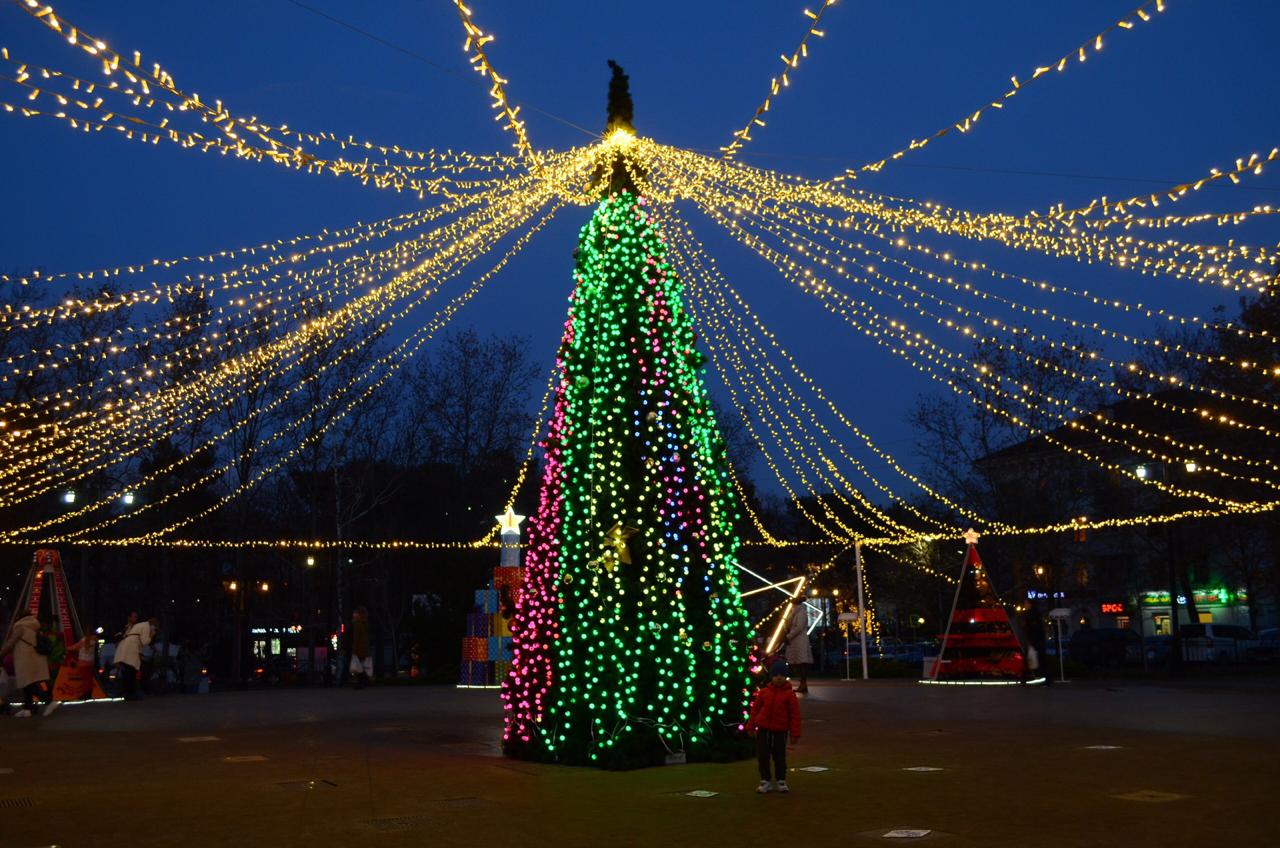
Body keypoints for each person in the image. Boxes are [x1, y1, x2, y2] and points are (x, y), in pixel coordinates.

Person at [749, 659, 801, 794]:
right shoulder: (764, 692)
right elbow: (755, 710)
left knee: (780, 756)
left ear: (785, 676)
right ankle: (765, 780)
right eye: (776, 675)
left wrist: (795, 733)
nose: (779, 678)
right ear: (771, 676)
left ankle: (781, 780)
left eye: (781, 675)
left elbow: (794, 715)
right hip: (763, 730)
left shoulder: (789, 695)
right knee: (763, 755)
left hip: (780, 731)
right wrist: (751, 726)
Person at [0, 613, 54, 716]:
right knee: (28, 684)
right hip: (34, 659)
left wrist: (1, 653)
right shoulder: (34, 627)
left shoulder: (20, 627)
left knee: (28, 684)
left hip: (25, 659)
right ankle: (27, 708)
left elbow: (11, 642)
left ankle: (49, 702)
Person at [114, 617, 156, 701]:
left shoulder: (140, 625)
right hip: (132, 649)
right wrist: (151, 635)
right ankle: (131, 694)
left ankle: (127, 693)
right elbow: (144, 641)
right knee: (131, 671)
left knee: (127, 671)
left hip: (126, 646)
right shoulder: (147, 626)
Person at [783, 598, 814, 693]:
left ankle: (803, 684)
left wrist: (788, 636)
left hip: (800, 642)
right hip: (795, 642)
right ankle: (802, 684)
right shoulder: (794, 613)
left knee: (801, 663)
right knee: (798, 663)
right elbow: (790, 626)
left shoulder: (801, 613)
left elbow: (798, 627)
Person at [350, 606, 372, 689]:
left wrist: (354, 650)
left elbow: (356, 638)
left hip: (359, 649)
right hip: (364, 649)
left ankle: (362, 683)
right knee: (361, 666)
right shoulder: (365, 623)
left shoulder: (357, 624)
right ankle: (364, 682)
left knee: (358, 667)